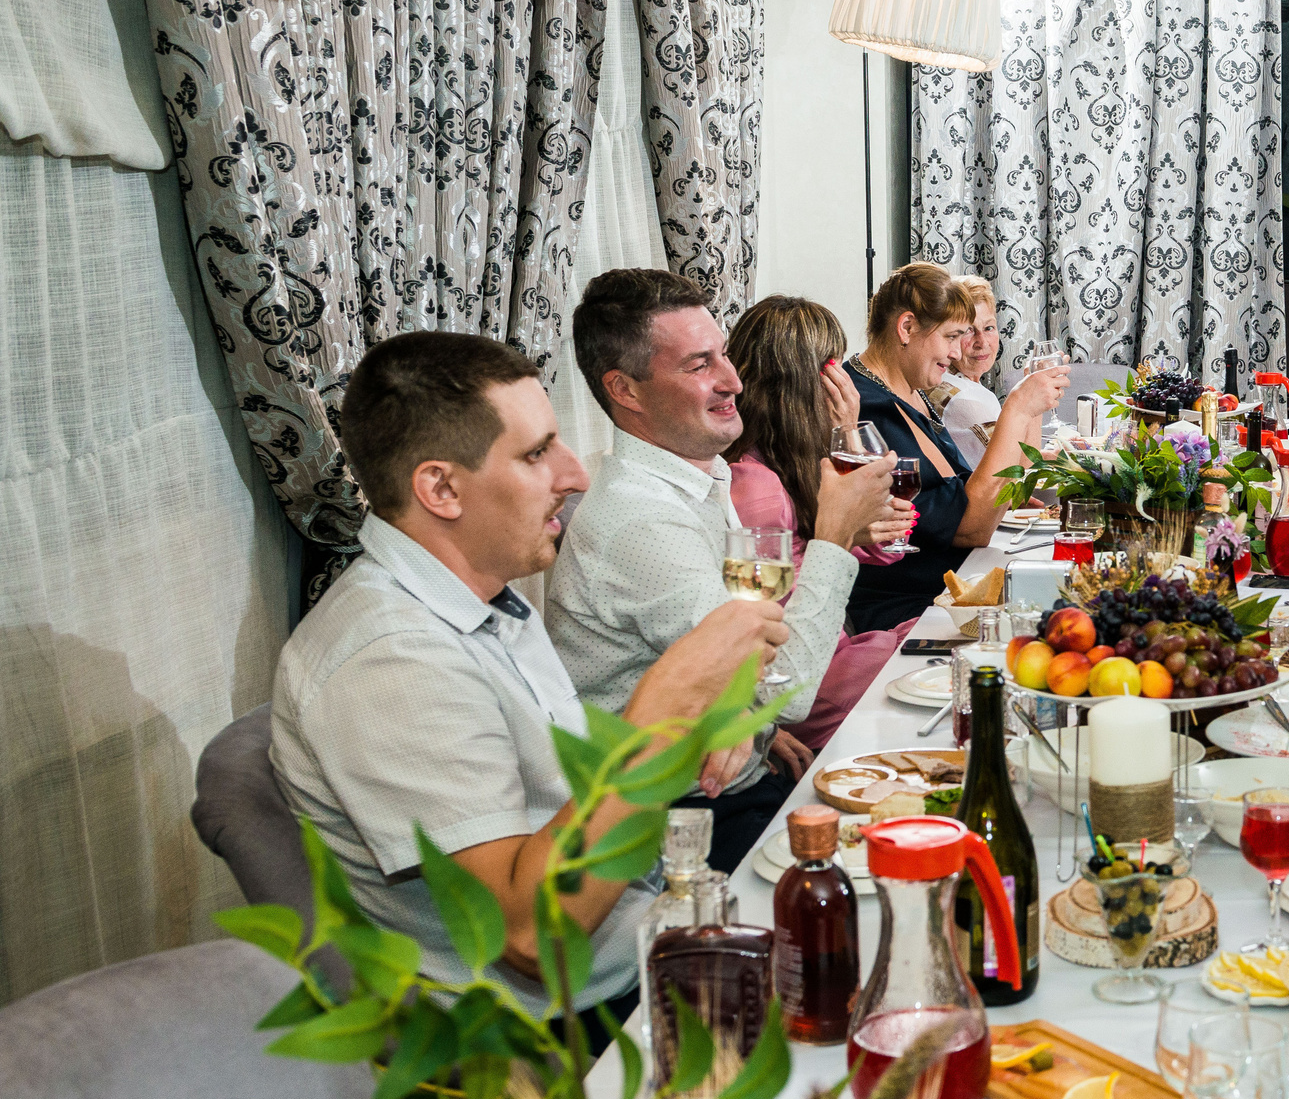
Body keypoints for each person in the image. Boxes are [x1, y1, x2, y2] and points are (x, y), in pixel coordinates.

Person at [270, 332, 787, 1024]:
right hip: (566, 1029)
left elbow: (560, 804)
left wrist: (695, 725)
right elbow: (527, 937)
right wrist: (658, 720)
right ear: (441, 487)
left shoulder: (481, 599)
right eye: (538, 452)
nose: (574, 475)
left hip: (646, 934)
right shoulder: (390, 659)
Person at [545, 268, 903, 873]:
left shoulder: (699, 479)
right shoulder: (643, 520)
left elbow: (756, 665)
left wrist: (761, 732)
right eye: (698, 366)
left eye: (726, 357)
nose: (733, 381)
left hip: (736, 770)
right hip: (673, 823)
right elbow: (783, 690)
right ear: (625, 391)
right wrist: (836, 535)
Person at [725, 294, 922, 751]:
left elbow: (887, 546)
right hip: (811, 680)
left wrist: (849, 432)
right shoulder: (755, 486)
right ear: (808, 379)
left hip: (831, 657)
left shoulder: (791, 459)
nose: (844, 377)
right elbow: (783, 645)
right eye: (833, 364)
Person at [841, 262, 1068, 634]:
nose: (957, 351)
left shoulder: (910, 391)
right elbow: (969, 526)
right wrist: (1018, 407)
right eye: (951, 337)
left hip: (953, 592)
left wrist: (1007, 496)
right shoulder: (866, 408)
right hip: (913, 613)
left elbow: (960, 488)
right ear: (907, 328)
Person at [936, 275, 1007, 462]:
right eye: (968, 330)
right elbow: (1015, 472)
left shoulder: (952, 381)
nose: (982, 342)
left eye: (989, 328)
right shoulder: (964, 399)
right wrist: (1029, 403)